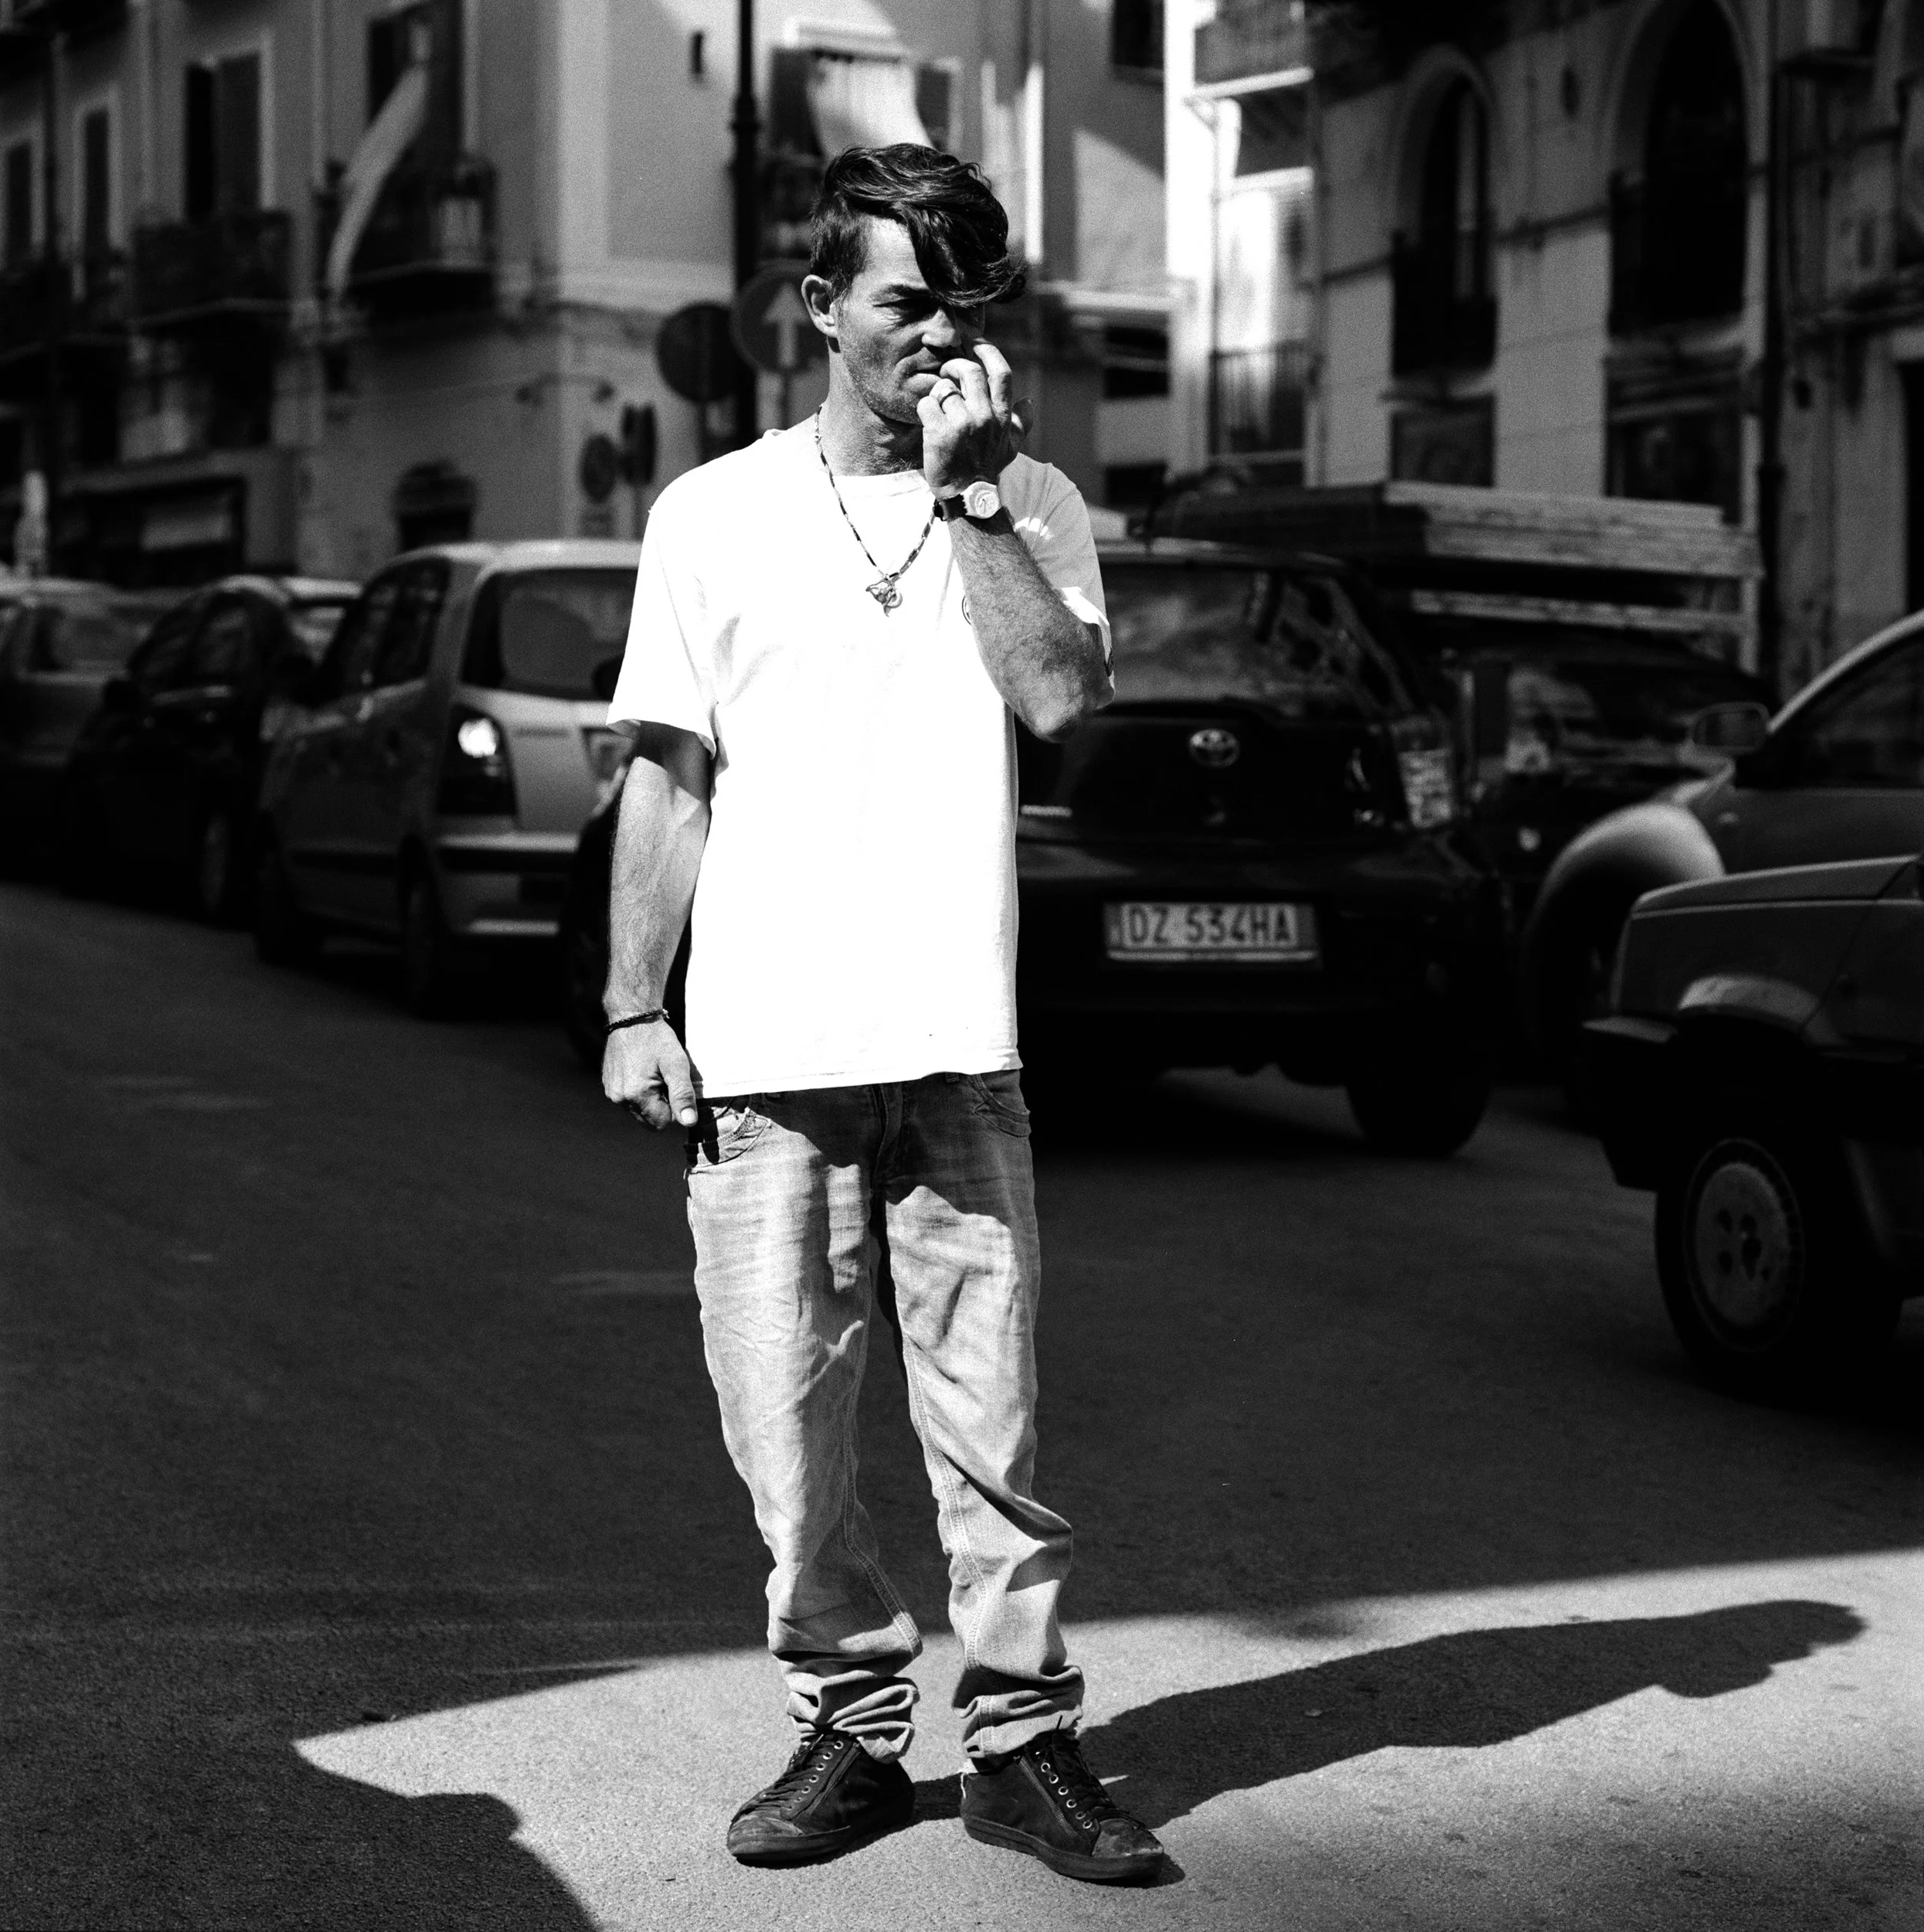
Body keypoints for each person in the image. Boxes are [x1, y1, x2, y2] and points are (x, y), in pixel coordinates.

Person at [600, 144, 1164, 1886]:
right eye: (906, 302)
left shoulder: (1036, 501)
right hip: (770, 1054)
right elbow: (668, 775)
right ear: (819, 309)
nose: (939, 336)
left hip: (955, 1050)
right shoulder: (708, 514)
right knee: (784, 1429)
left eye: (966, 305)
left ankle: (1017, 1745)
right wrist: (633, 998)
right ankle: (847, 1727)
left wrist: (974, 495)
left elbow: (1060, 699)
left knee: (987, 1435)